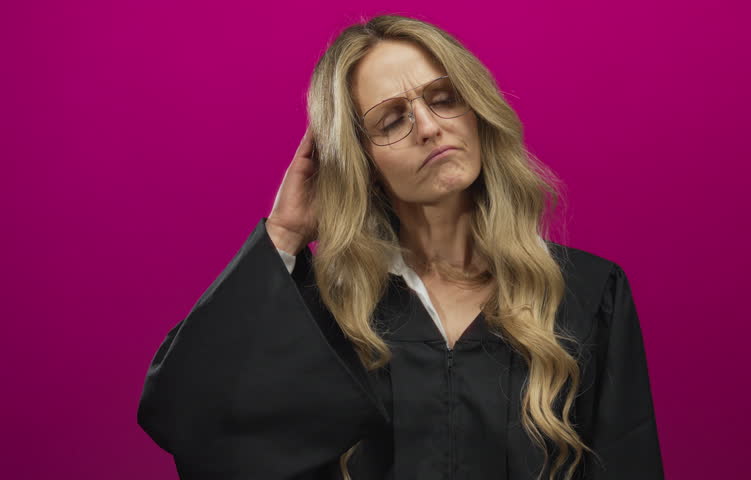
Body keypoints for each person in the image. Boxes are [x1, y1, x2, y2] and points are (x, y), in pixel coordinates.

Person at [136, 14, 665, 480]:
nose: (431, 128)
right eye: (392, 120)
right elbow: (190, 422)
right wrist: (285, 233)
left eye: (443, 99)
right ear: (359, 160)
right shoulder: (325, 314)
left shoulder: (587, 295)